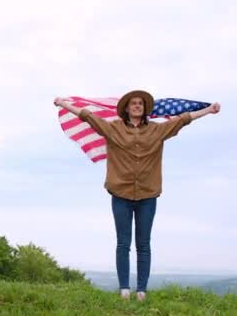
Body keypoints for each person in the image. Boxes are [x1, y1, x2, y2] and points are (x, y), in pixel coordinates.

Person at [53, 90, 220, 302]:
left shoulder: (157, 130)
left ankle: (141, 290)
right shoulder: (113, 128)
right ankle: (124, 289)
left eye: (140, 103)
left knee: (143, 244)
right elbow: (88, 116)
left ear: (145, 108)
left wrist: (208, 110)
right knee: (123, 243)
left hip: (148, 195)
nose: (137, 106)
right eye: (133, 103)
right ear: (126, 108)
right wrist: (63, 104)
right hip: (120, 193)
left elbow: (183, 119)